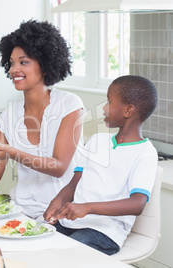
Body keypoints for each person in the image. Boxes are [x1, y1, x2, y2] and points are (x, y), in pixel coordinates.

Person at [0, 20, 85, 219]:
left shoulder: (69, 105)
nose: (14, 69)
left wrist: (12, 152)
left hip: (64, 214)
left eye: (23, 62)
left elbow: (58, 168)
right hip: (20, 213)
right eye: (12, 63)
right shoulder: (7, 117)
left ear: (46, 66)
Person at [43, 75, 158, 255]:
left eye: (109, 102)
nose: (103, 108)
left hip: (104, 232)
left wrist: (87, 207)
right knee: (35, 241)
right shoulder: (97, 140)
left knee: (65, 255)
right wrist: (57, 201)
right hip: (70, 223)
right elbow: (74, 184)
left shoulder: (145, 153)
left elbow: (137, 204)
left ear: (128, 110)